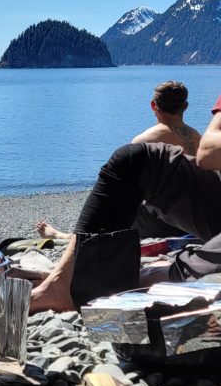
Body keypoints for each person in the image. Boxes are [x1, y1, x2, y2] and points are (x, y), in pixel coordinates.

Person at [30, 93, 221, 313]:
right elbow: (208, 151)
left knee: (165, 262)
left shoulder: (152, 132)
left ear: (155, 107)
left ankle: (124, 280)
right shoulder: (191, 134)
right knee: (133, 161)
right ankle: (63, 284)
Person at [35, 81, 200, 241]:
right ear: (185, 106)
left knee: (109, 213)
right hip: (195, 219)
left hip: (165, 220)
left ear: (153, 105)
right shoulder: (198, 138)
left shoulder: (144, 142)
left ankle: (64, 237)